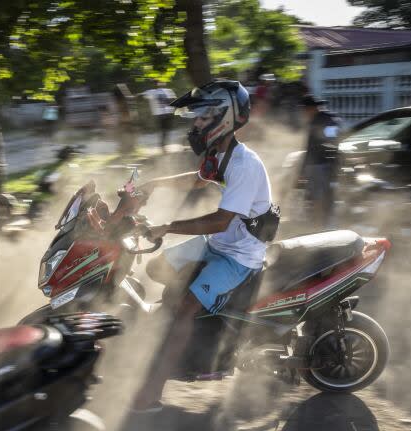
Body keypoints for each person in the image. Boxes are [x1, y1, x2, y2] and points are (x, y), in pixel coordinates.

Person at [131, 80, 274, 413]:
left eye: (201, 117)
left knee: (184, 310)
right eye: (195, 117)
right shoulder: (220, 154)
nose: (195, 123)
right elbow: (198, 178)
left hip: (239, 257)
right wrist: (153, 184)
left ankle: (152, 394)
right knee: (157, 269)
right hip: (218, 244)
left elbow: (220, 220)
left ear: (223, 119)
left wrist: (168, 227)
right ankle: (170, 337)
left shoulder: (243, 165)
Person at [300, 94, 341, 229]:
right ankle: (324, 225)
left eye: (305, 110)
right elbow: (332, 143)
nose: (304, 114)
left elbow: (313, 147)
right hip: (326, 165)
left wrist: (303, 170)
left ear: (310, 109)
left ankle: (319, 227)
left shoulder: (320, 121)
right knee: (323, 198)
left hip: (318, 165)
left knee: (318, 199)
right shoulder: (330, 119)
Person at [139, 81, 177, 152]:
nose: (161, 84)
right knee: (165, 130)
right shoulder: (154, 92)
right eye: (159, 82)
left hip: (165, 114)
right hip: (163, 114)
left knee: (165, 130)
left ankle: (163, 145)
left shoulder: (165, 91)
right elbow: (173, 100)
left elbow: (141, 95)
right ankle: (163, 146)